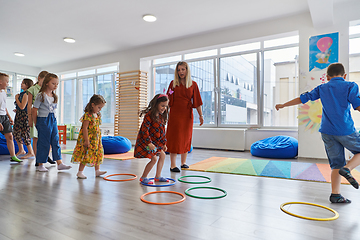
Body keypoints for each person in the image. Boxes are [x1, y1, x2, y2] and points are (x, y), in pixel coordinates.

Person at [275, 63, 360, 203]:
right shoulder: (350, 86)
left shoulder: (322, 88)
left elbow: (303, 98)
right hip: (345, 130)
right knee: (344, 165)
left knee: (336, 164)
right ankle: (348, 168)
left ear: (327, 77)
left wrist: (283, 105)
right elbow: (357, 105)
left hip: (327, 132)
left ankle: (336, 195)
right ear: (344, 76)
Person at [166, 61, 203, 172]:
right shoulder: (173, 83)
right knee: (174, 138)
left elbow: (197, 101)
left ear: (187, 70)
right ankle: (173, 165)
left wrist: (200, 115)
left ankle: (183, 163)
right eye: (178, 70)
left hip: (187, 115)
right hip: (175, 114)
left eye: (183, 69)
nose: (181, 72)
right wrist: (162, 113)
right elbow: (167, 100)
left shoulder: (193, 84)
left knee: (186, 138)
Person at [32, 73, 72, 172]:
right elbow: (34, 110)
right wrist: (36, 123)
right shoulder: (40, 95)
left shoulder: (54, 96)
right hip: (43, 120)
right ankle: (41, 164)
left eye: (57, 84)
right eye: (53, 83)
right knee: (43, 142)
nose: (56, 86)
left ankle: (59, 163)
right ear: (46, 83)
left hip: (53, 119)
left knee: (55, 140)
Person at [134, 93, 169, 184]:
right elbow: (144, 131)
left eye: (165, 106)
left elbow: (162, 131)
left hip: (156, 142)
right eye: (162, 106)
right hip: (147, 142)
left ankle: (157, 176)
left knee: (163, 155)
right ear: (156, 104)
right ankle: (143, 177)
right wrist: (149, 143)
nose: (164, 108)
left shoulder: (161, 116)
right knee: (154, 159)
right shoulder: (149, 115)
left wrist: (164, 143)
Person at [71, 94, 107, 179]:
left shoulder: (97, 115)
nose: (100, 110)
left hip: (96, 139)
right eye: (99, 107)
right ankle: (80, 172)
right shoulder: (88, 115)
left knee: (97, 153)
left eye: (101, 108)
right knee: (86, 154)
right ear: (93, 105)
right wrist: (86, 141)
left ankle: (97, 171)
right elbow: (84, 128)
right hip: (89, 139)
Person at [27, 71, 55, 165]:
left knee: (49, 137)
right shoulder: (33, 89)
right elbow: (29, 105)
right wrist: (30, 118)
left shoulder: (49, 90)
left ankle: (46, 156)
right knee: (36, 138)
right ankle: (37, 158)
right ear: (40, 78)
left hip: (47, 115)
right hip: (37, 115)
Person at [0, 73, 22, 163]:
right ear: (0, 82)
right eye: (7, 82)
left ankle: (13, 156)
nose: (8, 84)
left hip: (4, 116)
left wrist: (9, 117)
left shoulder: (3, 93)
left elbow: (4, 107)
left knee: (9, 136)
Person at [13, 78, 35, 159]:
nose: (21, 84)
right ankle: (21, 150)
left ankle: (31, 152)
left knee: (25, 133)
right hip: (19, 114)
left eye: (23, 83)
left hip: (24, 116)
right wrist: (17, 109)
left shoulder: (26, 94)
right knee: (16, 132)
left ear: (27, 85)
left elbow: (22, 106)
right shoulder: (22, 94)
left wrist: (16, 98)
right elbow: (21, 107)